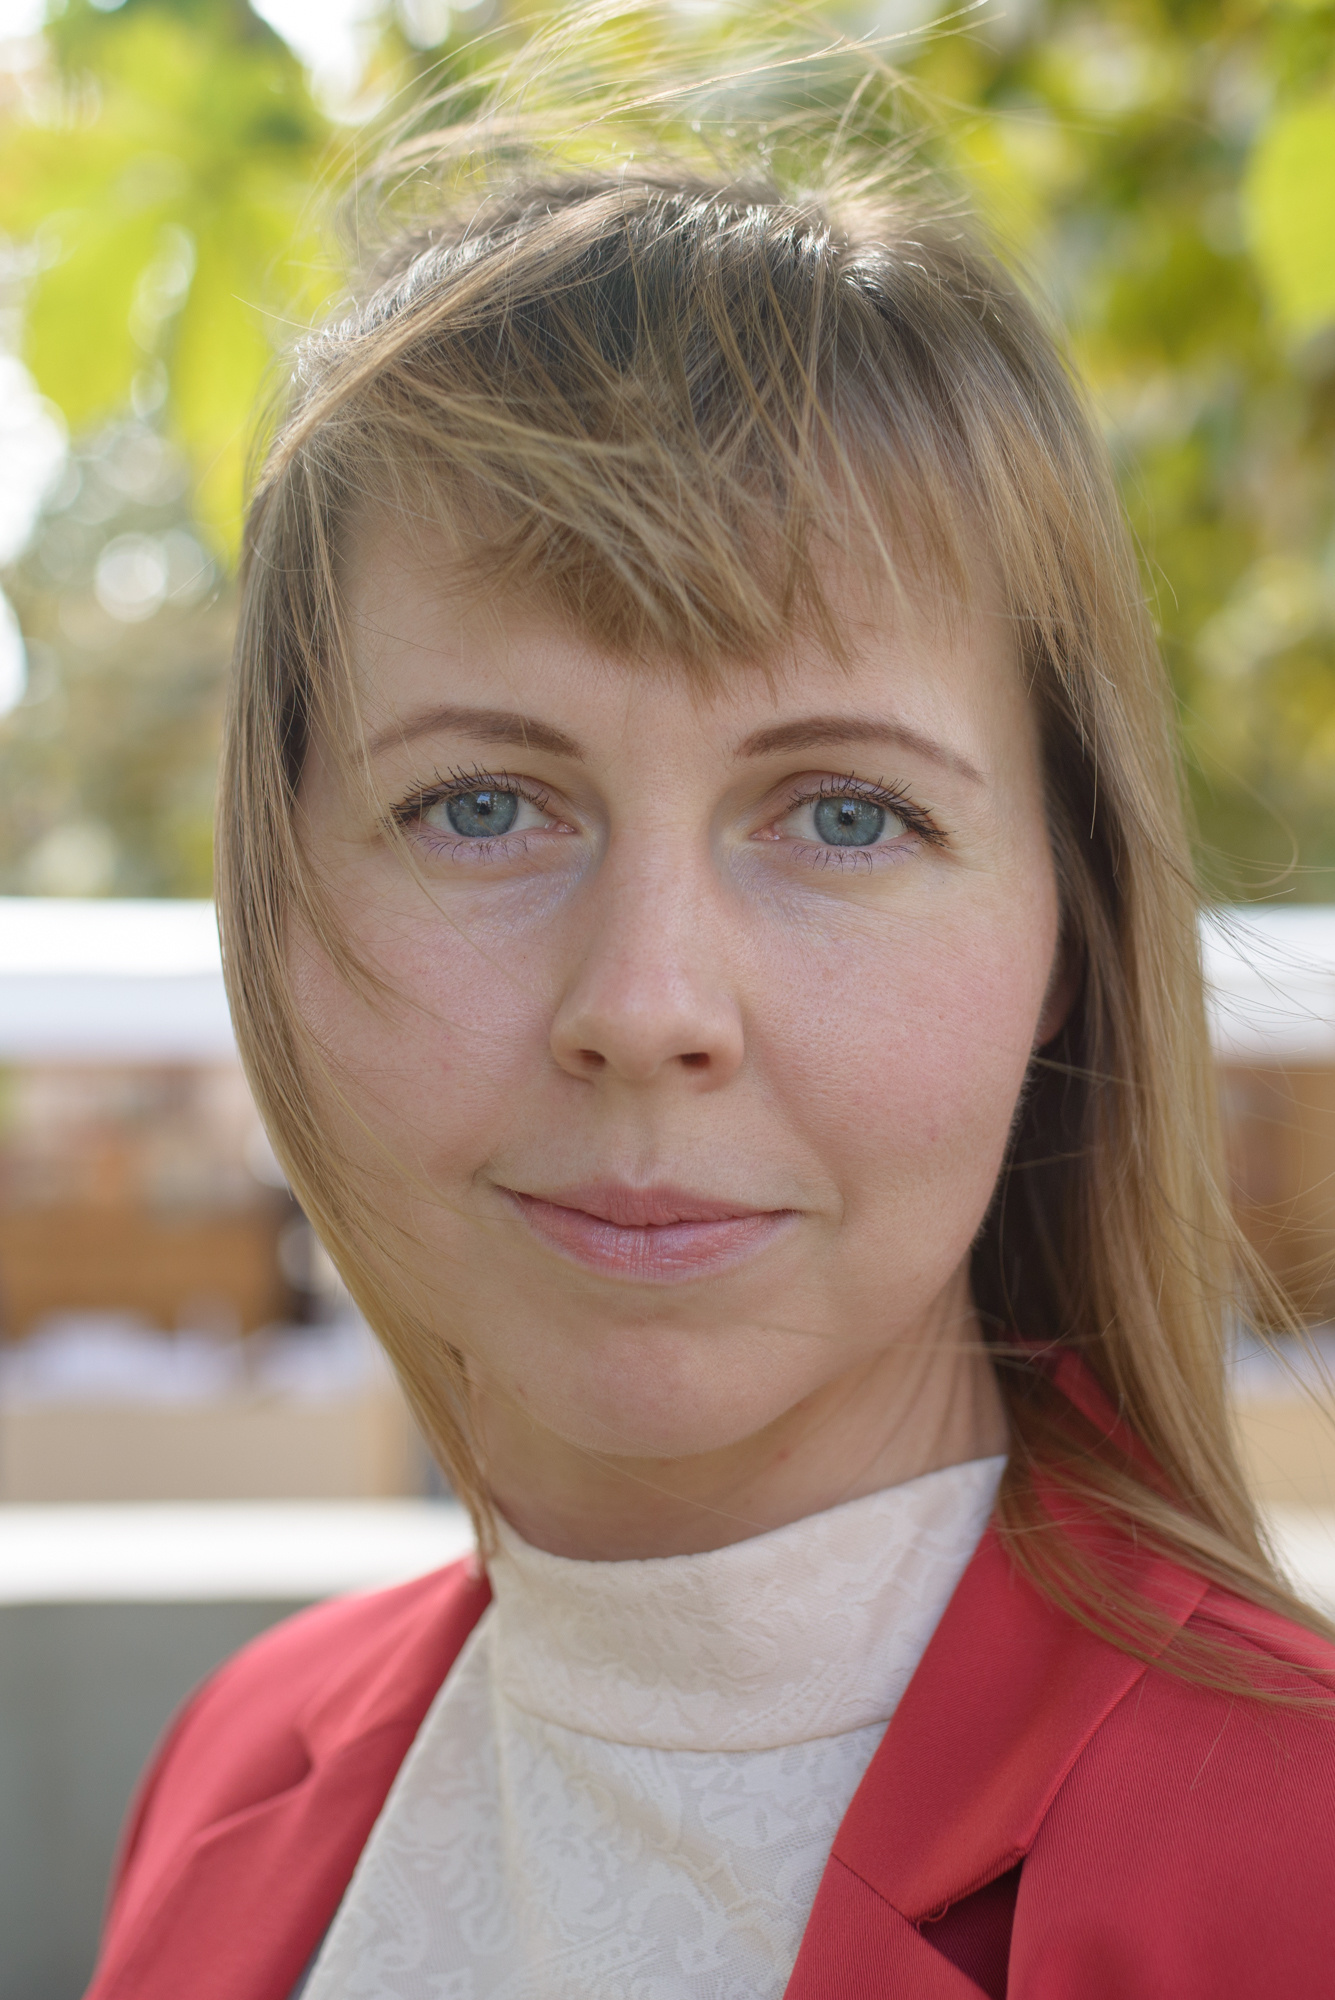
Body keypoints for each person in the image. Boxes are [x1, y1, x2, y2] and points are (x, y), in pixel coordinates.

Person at [85, 51, 1335, 2000]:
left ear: (1068, 936)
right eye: (480, 805)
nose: (644, 1008)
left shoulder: (1292, 1872)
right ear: (279, 911)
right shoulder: (237, 1762)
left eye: (844, 813)